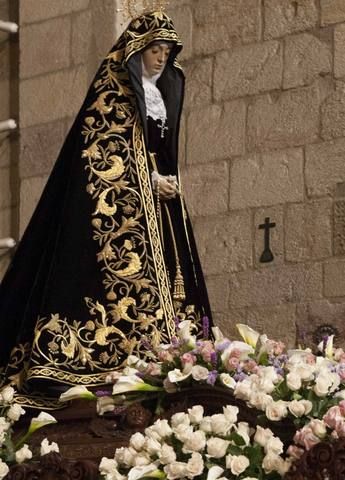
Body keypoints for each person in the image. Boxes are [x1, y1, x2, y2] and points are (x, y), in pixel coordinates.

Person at [0, 10, 212, 409]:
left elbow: (161, 152)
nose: (161, 57)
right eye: (154, 49)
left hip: (162, 210)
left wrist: (168, 181)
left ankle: (180, 359)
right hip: (118, 210)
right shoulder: (111, 94)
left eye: (166, 50)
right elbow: (101, 152)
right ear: (137, 51)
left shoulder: (161, 96)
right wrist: (147, 181)